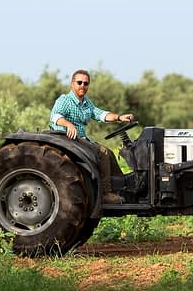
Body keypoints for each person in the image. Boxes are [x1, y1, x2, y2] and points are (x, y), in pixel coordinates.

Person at [49, 69, 134, 204]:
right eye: (79, 82)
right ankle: (106, 194)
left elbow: (100, 114)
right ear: (72, 84)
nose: (83, 85)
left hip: (81, 139)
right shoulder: (65, 100)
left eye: (86, 83)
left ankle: (123, 188)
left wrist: (119, 117)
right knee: (103, 152)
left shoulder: (86, 103)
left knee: (110, 153)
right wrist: (68, 125)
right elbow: (55, 116)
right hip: (66, 139)